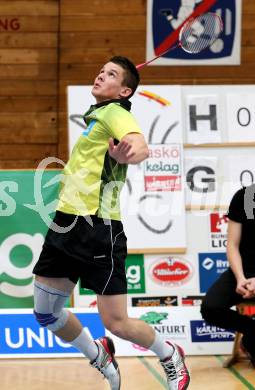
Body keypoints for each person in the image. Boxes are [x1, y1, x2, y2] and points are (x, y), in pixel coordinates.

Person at [32, 56, 190, 390]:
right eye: (102, 70)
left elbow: (139, 144)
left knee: (116, 322)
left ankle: (169, 353)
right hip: (66, 223)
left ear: (124, 91)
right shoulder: (99, 115)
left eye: (112, 74)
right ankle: (98, 354)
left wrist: (131, 152)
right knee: (46, 313)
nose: (101, 75)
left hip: (98, 230)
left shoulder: (117, 113)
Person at [201, 184, 255, 367]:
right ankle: (253, 331)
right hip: (244, 271)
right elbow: (232, 245)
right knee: (210, 308)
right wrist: (240, 277)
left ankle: (253, 343)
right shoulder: (245, 196)